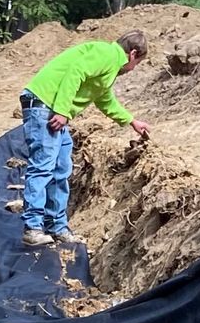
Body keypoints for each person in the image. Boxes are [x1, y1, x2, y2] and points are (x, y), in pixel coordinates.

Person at [15, 31, 149, 248]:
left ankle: (57, 226)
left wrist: (132, 121)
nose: (133, 69)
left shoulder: (109, 66)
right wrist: (61, 110)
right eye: (138, 64)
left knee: (61, 168)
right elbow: (75, 72)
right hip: (44, 105)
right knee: (43, 166)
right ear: (133, 54)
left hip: (51, 107)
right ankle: (32, 228)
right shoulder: (107, 54)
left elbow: (105, 99)